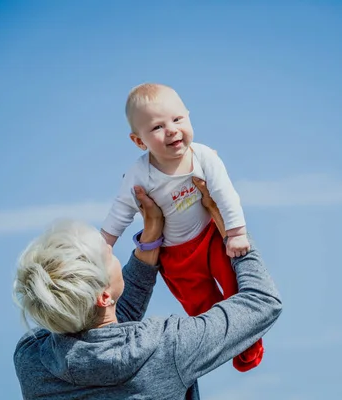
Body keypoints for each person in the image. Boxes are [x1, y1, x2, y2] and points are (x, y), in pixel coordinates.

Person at [12, 177, 282, 400]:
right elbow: (262, 302)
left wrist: (151, 236)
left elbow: (105, 327)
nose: (111, 247)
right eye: (107, 255)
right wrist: (232, 229)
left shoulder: (32, 360)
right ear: (104, 295)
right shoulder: (164, 347)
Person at [100, 83, 263, 371]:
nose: (172, 130)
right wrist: (103, 245)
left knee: (236, 289)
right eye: (158, 127)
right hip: (175, 257)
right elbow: (120, 211)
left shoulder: (203, 156)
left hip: (211, 237)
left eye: (178, 119)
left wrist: (236, 233)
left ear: (189, 117)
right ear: (139, 142)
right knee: (201, 307)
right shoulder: (140, 173)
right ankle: (225, 349)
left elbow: (225, 193)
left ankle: (250, 346)